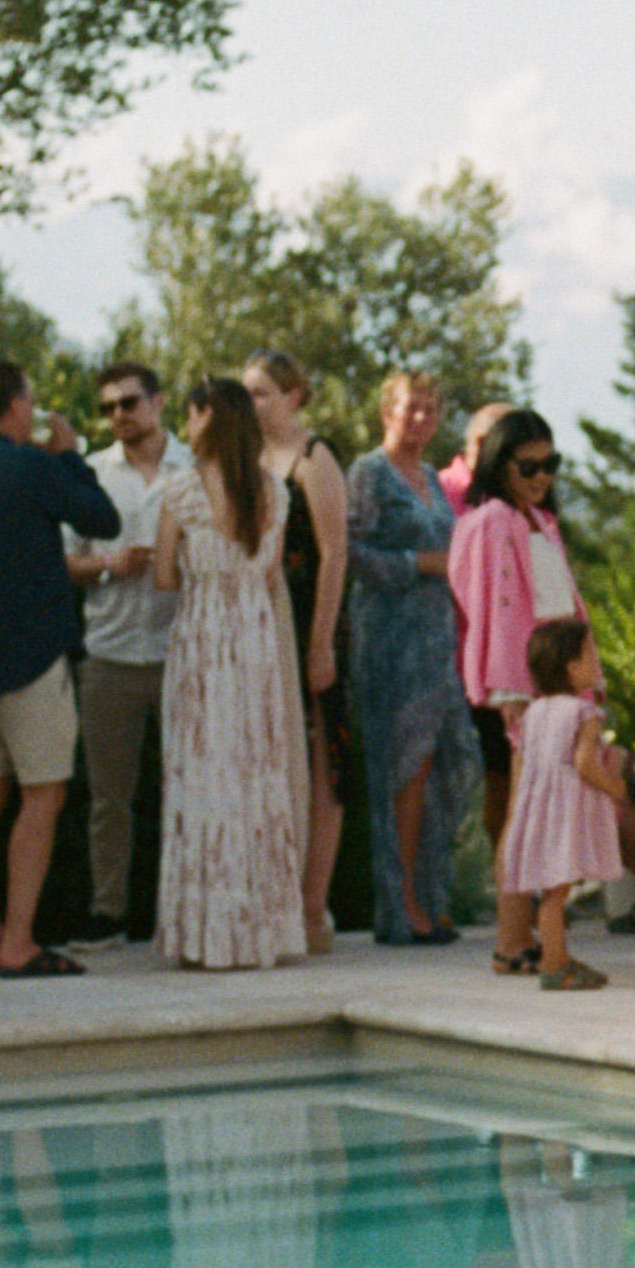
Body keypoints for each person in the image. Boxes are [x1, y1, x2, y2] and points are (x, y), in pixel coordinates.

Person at [0, 358, 121, 981]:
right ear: (17, 406)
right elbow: (103, 519)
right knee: (43, 794)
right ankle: (17, 940)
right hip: (33, 657)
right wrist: (67, 454)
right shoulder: (35, 467)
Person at [149, 375, 306, 970]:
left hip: (204, 639)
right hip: (254, 639)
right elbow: (269, 576)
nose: (186, 428)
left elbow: (165, 577)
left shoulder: (182, 491)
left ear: (207, 419)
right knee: (255, 772)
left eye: (191, 416)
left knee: (203, 772)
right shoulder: (274, 492)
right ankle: (260, 930)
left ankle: (207, 934)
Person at [347, 371, 478, 947]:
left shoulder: (428, 476)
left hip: (436, 637)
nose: (421, 419)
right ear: (386, 412)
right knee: (404, 770)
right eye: (410, 409)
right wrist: (418, 565)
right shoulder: (367, 472)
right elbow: (347, 550)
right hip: (388, 639)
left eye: (430, 409)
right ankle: (400, 907)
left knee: (448, 767)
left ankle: (430, 893)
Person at [66, 361, 189, 948]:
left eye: (130, 403)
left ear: (158, 402)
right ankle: (108, 908)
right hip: (110, 651)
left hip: (180, 651)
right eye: (109, 407)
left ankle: (183, 905)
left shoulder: (195, 468)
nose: (119, 416)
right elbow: (65, 562)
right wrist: (113, 564)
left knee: (187, 787)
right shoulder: (91, 474)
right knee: (108, 796)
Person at [247, 350, 353, 957]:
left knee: (324, 758)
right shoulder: (250, 460)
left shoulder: (315, 458)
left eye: (264, 392)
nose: (256, 403)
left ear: (293, 395)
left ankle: (314, 908)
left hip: (314, 616)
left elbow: (335, 552)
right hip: (262, 623)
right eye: (250, 393)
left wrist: (321, 644)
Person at [449, 407, 584, 876]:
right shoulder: (492, 521)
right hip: (519, 688)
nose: (541, 476)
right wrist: (509, 689)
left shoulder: (540, 520)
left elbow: (564, 604)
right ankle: (513, 940)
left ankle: (543, 937)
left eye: (551, 464)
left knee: (545, 811)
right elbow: (491, 610)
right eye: (529, 466)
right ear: (499, 463)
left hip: (555, 683)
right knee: (520, 810)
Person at [497, 619, 622, 990]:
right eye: (590, 655)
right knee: (556, 893)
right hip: (566, 813)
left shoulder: (533, 713)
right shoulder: (584, 713)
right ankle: (555, 966)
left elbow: (530, 765)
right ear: (571, 666)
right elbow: (584, 765)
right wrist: (614, 786)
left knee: (552, 890)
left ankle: (560, 957)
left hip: (539, 811)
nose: (596, 663)